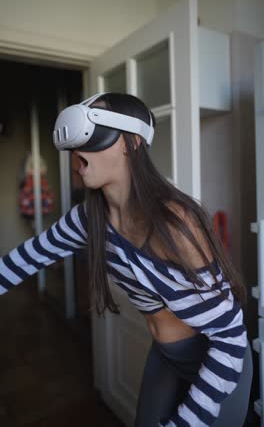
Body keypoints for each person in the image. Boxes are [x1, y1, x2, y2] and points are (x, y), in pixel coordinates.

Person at [0, 92, 252, 426]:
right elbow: (19, 263)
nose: (77, 152)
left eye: (92, 133)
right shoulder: (89, 219)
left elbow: (230, 336)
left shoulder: (174, 224)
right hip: (165, 356)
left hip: (221, 362)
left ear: (131, 142)